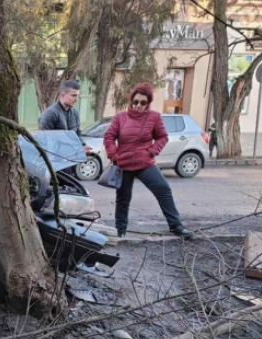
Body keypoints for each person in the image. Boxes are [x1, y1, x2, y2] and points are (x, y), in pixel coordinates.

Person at [103, 82, 194, 240]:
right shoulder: (120, 117)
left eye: (143, 102)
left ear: (148, 104)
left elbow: (162, 137)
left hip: (144, 163)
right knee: (123, 198)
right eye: (135, 101)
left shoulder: (154, 117)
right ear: (131, 101)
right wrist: (113, 155)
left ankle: (176, 226)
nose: (138, 105)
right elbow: (109, 137)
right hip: (123, 164)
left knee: (163, 190)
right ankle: (120, 231)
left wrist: (151, 152)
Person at [39, 80, 92, 157]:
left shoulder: (75, 113)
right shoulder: (50, 114)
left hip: (72, 160)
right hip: (55, 162)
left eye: (77, 95)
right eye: (73, 95)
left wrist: (83, 145)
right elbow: (45, 142)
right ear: (62, 95)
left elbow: (76, 135)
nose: (76, 99)